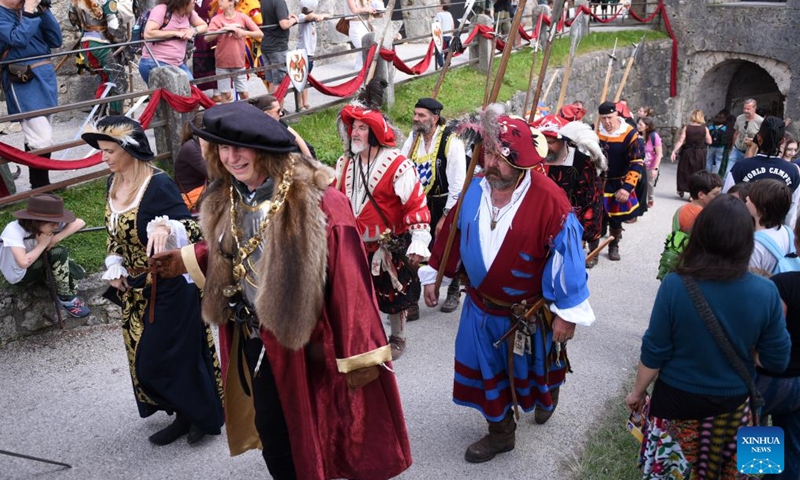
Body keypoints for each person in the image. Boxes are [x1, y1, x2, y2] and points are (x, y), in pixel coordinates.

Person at [150, 101, 413, 479]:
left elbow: (351, 283)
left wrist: (362, 356)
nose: (232, 157)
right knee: (274, 434)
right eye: (223, 148)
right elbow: (240, 247)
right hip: (255, 338)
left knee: (316, 436)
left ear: (267, 150)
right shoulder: (231, 195)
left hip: (309, 344)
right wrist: (190, 258)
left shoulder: (321, 203)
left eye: (241, 147)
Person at [419, 105, 595, 463]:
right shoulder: (475, 187)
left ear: (524, 162)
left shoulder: (549, 199)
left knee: (536, 371)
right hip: (479, 309)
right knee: (484, 370)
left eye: (501, 157)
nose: (491, 162)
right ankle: (501, 432)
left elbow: (568, 260)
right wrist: (436, 274)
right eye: (488, 153)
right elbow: (452, 232)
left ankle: (549, 391)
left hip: (526, 314)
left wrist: (568, 313)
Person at [625, 194, 791, 480]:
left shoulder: (675, 284)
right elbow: (778, 360)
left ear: (700, 234)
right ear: (747, 240)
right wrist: (748, 350)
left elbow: (655, 350)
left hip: (674, 403)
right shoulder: (766, 292)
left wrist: (637, 393)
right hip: (734, 406)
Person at [81, 116, 224, 446]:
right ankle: (182, 415)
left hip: (171, 285)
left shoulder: (157, 184)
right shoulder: (113, 183)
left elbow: (192, 230)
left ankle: (204, 416)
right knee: (153, 361)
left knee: (163, 359)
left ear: (129, 150)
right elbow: (113, 232)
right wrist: (114, 262)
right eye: (101, 151)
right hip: (135, 291)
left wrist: (165, 227)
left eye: (108, 151)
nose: (103, 158)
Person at [334, 102, 431, 359]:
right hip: (352, 243)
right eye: (353, 127)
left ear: (375, 133)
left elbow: (415, 203)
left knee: (391, 291)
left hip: (386, 244)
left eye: (362, 128)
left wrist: (419, 240)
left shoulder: (397, 164)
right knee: (355, 292)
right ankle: (366, 336)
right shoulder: (344, 162)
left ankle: (397, 335)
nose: (355, 132)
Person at [400, 97, 466, 315]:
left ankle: (453, 290)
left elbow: (458, 183)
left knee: (447, 245)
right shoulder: (413, 138)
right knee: (413, 247)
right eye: (415, 114)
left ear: (435, 118)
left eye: (421, 115)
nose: (416, 119)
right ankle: (412, 301)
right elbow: (401, 167)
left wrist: (446, 217)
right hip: (418, 201)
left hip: (445, 200)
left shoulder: (451, 141)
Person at [0, 0, 62, 189]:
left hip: (45, 76)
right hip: (22, 79)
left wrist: (43, 10)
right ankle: (41, 187)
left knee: (37, 137)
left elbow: (55, 40)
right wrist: (28, 12)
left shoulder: (29, 11)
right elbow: (17, 39)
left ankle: (40, 185)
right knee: (42, 138)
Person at [756, 217, 800, 480]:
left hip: (772, 380)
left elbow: (767, 335)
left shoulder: (785, 284)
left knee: (760, 447)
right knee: (793, 450)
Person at [0, 194, 90, 318]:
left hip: (37, 261)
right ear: (35, 221)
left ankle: (56, 276)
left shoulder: (47, 225)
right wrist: (42, 244)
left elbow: (80, 222)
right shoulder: (13, 230)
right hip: (20, 274)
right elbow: (23, 262)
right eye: (53, 223)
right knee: (59, 253)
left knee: (69, 263)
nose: (56, 227)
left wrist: (55, 238)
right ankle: (66, 299)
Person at [534, 114, 606, 268]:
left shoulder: (583, 163)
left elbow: (592, 201)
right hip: (537, 230)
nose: (546, 146)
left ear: (564, 141)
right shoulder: (533, 161)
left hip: (569, 231)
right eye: (543, 142)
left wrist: (582, 235)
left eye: (551, 142)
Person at [723, 116, 800, 229]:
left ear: (759, 138)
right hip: (775, 231)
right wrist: (788, 236)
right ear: (783, 141)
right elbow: (792, 209)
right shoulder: (793, 171)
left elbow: (727, 199)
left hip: (742, 228)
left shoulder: (741, 166)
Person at [596, 101, 645, 261]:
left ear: (617, 114)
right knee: (595, 217)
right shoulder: (595, 131)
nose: (607, 122)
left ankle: (613, 245)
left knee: (616, 219)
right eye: (603, 118)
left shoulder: (629, 134)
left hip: (618, 183)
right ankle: (593, 250)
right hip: (598, 182)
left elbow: (637, 162)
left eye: (609, 117)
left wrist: (627, 187)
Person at [68, 0, 134, 115]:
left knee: (105, 78)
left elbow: (73, 20)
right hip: (100, 42)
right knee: (117, 79)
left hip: (86, 42)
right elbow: (114, 27)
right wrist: (126, 46)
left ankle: (98, 115)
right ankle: (115, 119)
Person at [206, 0, 263, 103]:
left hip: (239, 62)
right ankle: (227, 117)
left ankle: (247, 114)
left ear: (231, 2)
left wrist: (243, 32)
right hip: (222, 63)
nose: (219, 2)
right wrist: (223, 29)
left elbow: (260, 34)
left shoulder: (242, 17)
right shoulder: (216, 19)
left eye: (223, 0)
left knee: (244, 93)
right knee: (225, 94)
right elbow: (207, 38)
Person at [139, 0, 208, 84]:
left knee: (192, 92)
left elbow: (204, 26)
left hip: (177, 63)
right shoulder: (161, 10)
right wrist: (174, 33)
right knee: (178, 94)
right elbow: (148, 33)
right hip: (155, 61)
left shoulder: (188, 12)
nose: (196, 1)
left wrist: (193, 30)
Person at [746, 179, 795, 274]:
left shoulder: (754, 245)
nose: (747, 198)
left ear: (762, 207)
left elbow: (751, 278)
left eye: (752, 197)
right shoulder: (788, 232)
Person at [670, 109, 712, 199]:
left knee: (684, 170)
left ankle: (681, 188)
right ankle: (692, 195)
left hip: (687, 152)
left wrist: (674, 151)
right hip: (700, 153)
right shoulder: (705, 129)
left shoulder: (687, 128)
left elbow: (681, 140)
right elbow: (709, 141)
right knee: (697, 172)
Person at [174, 111, 209, 212]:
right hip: (191, 193)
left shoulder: (198, 144)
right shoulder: (190, 148)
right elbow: (212, 173)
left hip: (202, 188)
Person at [261, 0, 297, 94]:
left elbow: (272, 18)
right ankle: (277, 108)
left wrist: (286, 17)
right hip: (277, 47)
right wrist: (294, 20)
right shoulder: (279, 1)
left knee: (273, 81)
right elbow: (284, 25)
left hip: (267, 44)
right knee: (280, 82)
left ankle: (271, 108)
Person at [296, 0, 326, 110]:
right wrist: (316, 16)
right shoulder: (302, 16)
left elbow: (326, 15)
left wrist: (322, 15)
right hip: (302, 53)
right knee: (300, 79)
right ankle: (299, 104)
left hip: (310, 53)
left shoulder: (314, 17)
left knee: (307, 78)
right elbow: (308, 17)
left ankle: (305, 102)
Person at [728, 99, 763, 174]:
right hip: (737, 149)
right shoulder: (739, 118)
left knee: (744, 174)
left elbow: (762, 139)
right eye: (744, 108)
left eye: (748, 109)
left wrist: (753, 142)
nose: (745, 111)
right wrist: (732, 147)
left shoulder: (760, 121)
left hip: (750, 153)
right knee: (728, 172)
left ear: (754, 108)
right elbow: (736, 133)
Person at [344, 0, 375, 72]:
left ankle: (360, 69)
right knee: (362, 48)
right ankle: (360, 70)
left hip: (364, 24)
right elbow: (354, 10)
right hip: (355, 25)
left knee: (365, 48)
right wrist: (367, 9)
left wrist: (372, 9)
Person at [637, 116, 661, 208]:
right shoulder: (638, 135)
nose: (638, 126)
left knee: (649, 183)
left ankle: (650, 198)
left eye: (640, 124)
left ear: (646, 126)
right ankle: (641, 201)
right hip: (640, 163)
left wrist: (655, 168)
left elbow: (659, 154)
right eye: (638, 124)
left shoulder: (654, 136)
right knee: (640, 183)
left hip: (651, 164)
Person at [434, 0, 454, 68]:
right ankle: (448, 62)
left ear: (442, 6)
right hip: (448, 35)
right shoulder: (449, 14)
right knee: (447, 49)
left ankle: (442, 65)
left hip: (442, 36)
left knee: (439, 51)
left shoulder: (439, 14)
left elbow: (438, 25)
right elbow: (452, 24)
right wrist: (451, 34)